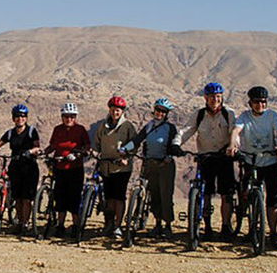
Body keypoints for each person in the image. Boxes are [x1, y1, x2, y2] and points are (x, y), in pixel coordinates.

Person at [227, 86, 277, 249]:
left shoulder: (272, 116)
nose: (260, 105)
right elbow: (236, 131)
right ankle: (251, 226)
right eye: (256, 102)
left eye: (263, 102)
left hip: (270, 162)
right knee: (246, 194)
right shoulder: (244, 117)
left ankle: (273, 233)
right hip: (250, 161)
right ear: (250, 103)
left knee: (273, 199)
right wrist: (233, 145)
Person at [177, 83, 236, 240]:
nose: (214, 100)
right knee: (206, 193)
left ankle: (225, 226)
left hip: (224, 158)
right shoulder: (199, 114)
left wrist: (233, 147)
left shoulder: (228, 113)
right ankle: (207, 226)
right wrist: (176, 144)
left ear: (222, 97)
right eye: (211, 97)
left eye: (218, 97)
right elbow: (187, 130)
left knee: (226, 194)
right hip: (206, 158)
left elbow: (234, 132)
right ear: (205, 98)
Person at [121, 98, 182, 238]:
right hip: (150, 164)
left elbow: (174, 145)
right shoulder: (149, 126)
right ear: (153, 110)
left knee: (165, 195)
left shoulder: (170, 128)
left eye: (163, 111)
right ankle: (158, 224)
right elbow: (137, 140)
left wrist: (170, 156)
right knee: (154, 195)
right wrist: (125, 149)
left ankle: (168, 226)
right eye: (158, 110)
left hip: (165, 165)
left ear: (166, 114)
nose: (159, 113)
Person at [0, 104, 41, 234]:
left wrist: (30, 152)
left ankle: (25, 224)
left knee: (26, 198)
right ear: (13, 118)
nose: (20, 118)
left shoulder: (32, 131)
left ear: (26, 118)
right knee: (17, 197)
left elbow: (37, 147)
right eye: (17, 116)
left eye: (22, 116)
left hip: (29, 167)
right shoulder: (10, 133)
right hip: (15, 166)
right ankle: (20, 222)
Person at [44, 102, 90, 238]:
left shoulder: (80, 129)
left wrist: (77, 154)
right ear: (62, 117)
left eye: (72, 116)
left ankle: (76, 226)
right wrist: (44, 152)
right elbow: (53, 145)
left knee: (74, 197)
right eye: (66, 116)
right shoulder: (57, 129)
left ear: (75, 117)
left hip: (75, 168)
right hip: (59, 168)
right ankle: (60, 225)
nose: (69, 119)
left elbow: (87, 147)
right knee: (60, 197)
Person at [93, 96, 137, 238]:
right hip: (106, 166)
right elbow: (97, 142)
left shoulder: (127, 126)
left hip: (121, 168)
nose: (115, 112)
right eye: (113, 109)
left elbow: (134, 144)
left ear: (122, 111)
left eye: (117, 110)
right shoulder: (103, 126)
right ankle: (109, 223)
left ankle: (118, 225)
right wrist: (96, 153)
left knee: (119, 197)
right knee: (109, 197)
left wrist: (127, 157)